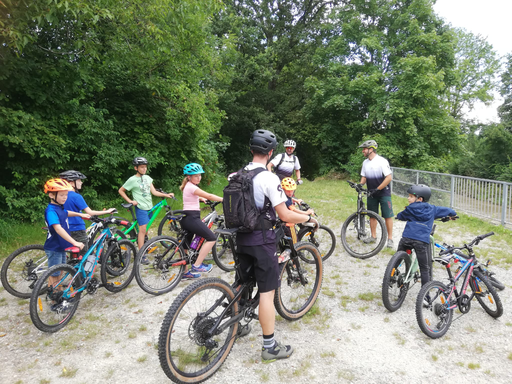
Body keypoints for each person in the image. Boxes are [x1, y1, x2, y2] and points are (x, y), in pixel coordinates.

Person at [236, 129, 318, 362]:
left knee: (242, 283)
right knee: (266, 291)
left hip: (240, 238)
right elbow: (285, 214)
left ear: (251, 150)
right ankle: (269, 346)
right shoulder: (269, 178)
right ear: (271, 152)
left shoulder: (237, 174)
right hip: (262, 240)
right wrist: (308, 219)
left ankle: (238, 325)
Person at [396, 184, 456, 286]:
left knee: (397, 258)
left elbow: (401, 216)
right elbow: (448, 210)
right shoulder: (433, 209)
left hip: (406, 238)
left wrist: (398, 216)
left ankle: (390, 275)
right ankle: (425, 295)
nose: (408, 198)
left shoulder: (410, 209)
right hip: (421, 242)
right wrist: (453, 215)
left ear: (419, 199)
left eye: (411, 196)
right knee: (424, 268)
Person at [118, 157, 174, 253]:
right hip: (141, 208)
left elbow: (154, 192)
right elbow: (121, 190)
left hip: (149, 207)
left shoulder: (148, 178)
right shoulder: (132, 180)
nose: (144, 169)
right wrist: (130, 201)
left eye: (145, 167)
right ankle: (141, 253)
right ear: (136, 168)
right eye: (142, 167)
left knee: (146, 229)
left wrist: (166, 195)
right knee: (142, 230)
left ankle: (144, 245)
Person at [179, 163, 223, 279]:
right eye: (196, 176)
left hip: (186, 218)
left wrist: (200, 199)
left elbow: (192, 196)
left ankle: (184, 272)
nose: (199, 178)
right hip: (192, 218)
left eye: (199, 175)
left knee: (185, 245)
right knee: (212, 238)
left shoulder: (188, 186)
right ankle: (197, 265)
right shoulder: (193, 187)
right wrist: (223, 199)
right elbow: (209, 195)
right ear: (189, 177)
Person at [43, 179, 91, 286]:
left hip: (61, 245)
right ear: (51, 195)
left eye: (66, 195)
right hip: (55, 247)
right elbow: (58, 228)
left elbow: (66, 213)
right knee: (54, 274)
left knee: (60, 271)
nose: (65, 197)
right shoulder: (51, 211)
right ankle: (54, 297)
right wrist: (75, 242)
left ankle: (58, 292)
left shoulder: (58, 207)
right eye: (61, 195)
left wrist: (80, 215)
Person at [60, 170, 116, 254]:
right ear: (71, 183)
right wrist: (107, 211)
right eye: (79, 180)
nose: (81, 182)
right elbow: (90, 212)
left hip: (64, 228)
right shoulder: (76, 196)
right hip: (77, 228)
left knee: (71, 253)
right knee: (83, 254)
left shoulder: (60, 195)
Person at [358, 139, 394, 248]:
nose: (363, 151)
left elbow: (389, 178)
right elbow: (364, 177)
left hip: (384, 193)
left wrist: (378, 189)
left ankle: (390, 239)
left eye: (364, 149)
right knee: (372, 215)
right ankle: (373, 237)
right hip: (371, 193)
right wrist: (360, 185)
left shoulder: (382, 161)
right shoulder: (365, 163)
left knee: (387, 216)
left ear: (371, 149)